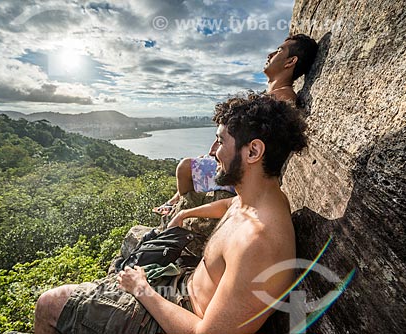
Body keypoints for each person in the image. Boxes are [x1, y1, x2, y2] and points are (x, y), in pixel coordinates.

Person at [34, 93, 308, 333]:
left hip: (178, 317)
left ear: (253, 151)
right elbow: (231, 206)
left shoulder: (260, 242)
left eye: (220, 141)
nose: (213, 152)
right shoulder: (259, 199)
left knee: (50, 304)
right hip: (179, 286)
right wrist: (185, 215)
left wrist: (142, 289)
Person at [153, 33, 317, 216]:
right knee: (194, 163)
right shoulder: (272, 95)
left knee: (184, 167)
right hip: (240, 160)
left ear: (290, 61)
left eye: (279, 51)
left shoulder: (283, 98)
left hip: (244, 170)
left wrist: (226, 160)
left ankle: (178, 204)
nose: (270, 55)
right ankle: (177, 200)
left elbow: (265, 146)